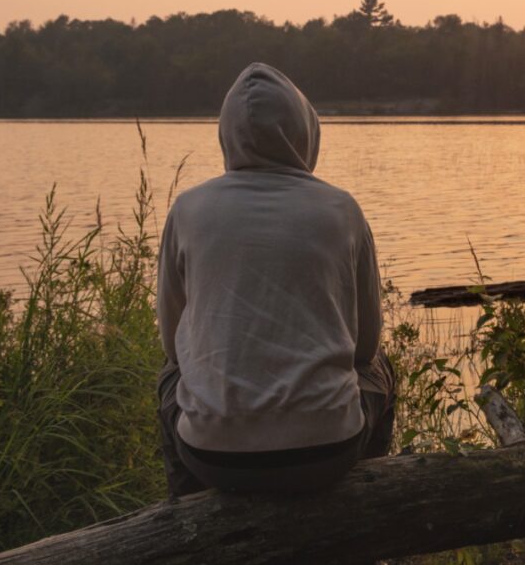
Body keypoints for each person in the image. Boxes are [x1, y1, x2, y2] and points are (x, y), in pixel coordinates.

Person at [156, 62, 395, 496]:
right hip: (328, 453)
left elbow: (172, 346)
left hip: (213, 459)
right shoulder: (342, 209)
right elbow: (366, 346)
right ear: (306, 131)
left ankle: (188, 518)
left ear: (225, 135)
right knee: (381, 371)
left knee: (169, 378)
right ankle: (367, 506)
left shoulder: (189, 209)